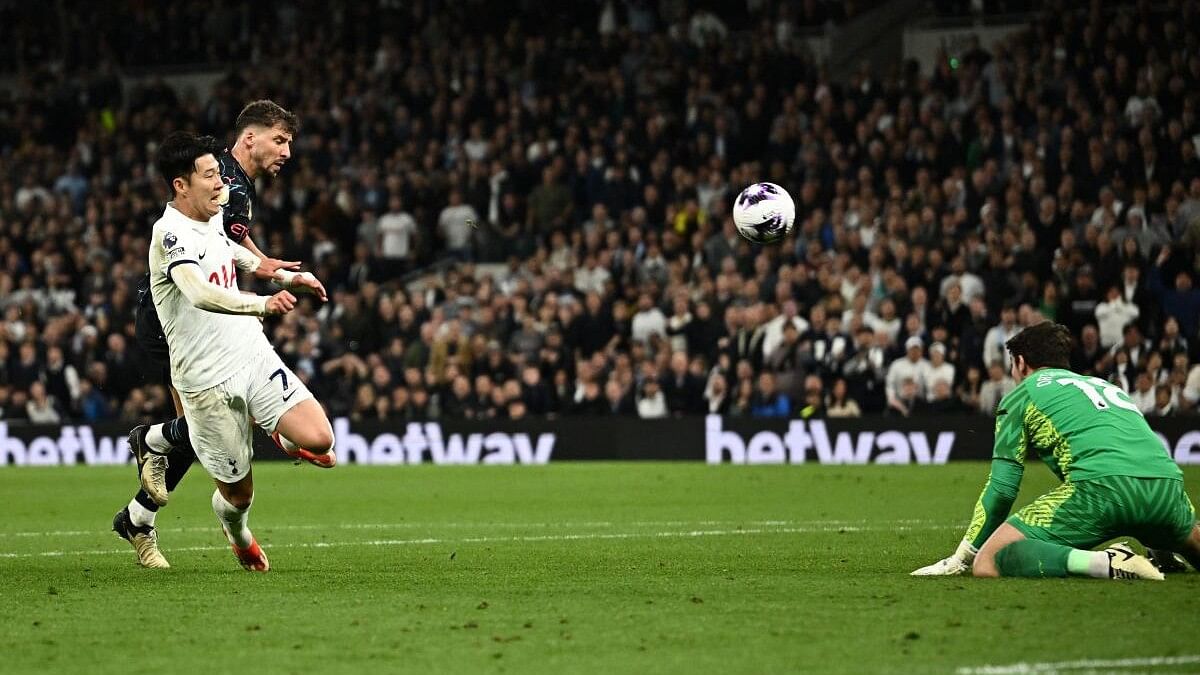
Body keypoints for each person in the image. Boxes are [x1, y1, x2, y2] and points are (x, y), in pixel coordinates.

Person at [113, 101, 329, 569]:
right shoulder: (221, 184)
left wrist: (266, 266)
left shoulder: (228, 185)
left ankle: (138, 514)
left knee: (207, 432)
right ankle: (150, 467)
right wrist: (265, 293)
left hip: (221, 326)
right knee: (200, 429)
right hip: (174, 322)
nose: (288, 151)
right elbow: (197, 277)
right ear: (250, 138)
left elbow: (224, 241)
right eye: (281, 140)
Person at [912, 321, 1198, 580]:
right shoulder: (1105, 386)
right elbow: (1134, 454)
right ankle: (1163, 555)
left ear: (1021, 363)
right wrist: (1163, 542)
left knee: (990, 560)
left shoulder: (1023, 394)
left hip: (1100, 490)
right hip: (1168, 490)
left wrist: (962, 558)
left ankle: (1105, 562)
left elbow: (1002, 490)